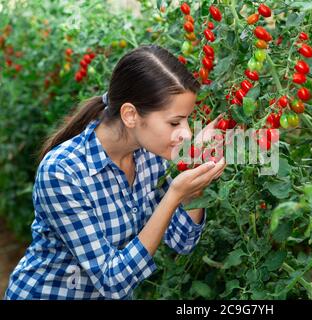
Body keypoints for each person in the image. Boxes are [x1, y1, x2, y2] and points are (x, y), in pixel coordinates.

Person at [4, 44, 226, 300]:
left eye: (187, 120)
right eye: (175, 122)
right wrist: (174, 194)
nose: (187, 133)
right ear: (130, 115)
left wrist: (193, 184)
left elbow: (182, 242)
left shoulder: (151, 155)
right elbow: (112, 281)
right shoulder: (63, 171)